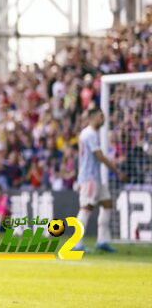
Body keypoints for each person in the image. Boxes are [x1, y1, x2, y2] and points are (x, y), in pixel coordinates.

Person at [73, 108, 126, 252]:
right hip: (89, 178)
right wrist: (117, 171)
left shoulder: (90, 133)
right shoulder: (89, 134)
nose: (103, 119)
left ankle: (102, 241)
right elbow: (100, 156)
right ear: (93, 117)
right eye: (101, 116)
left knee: (107, 203)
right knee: (86, 208)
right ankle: (76, 244)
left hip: (95, 177)